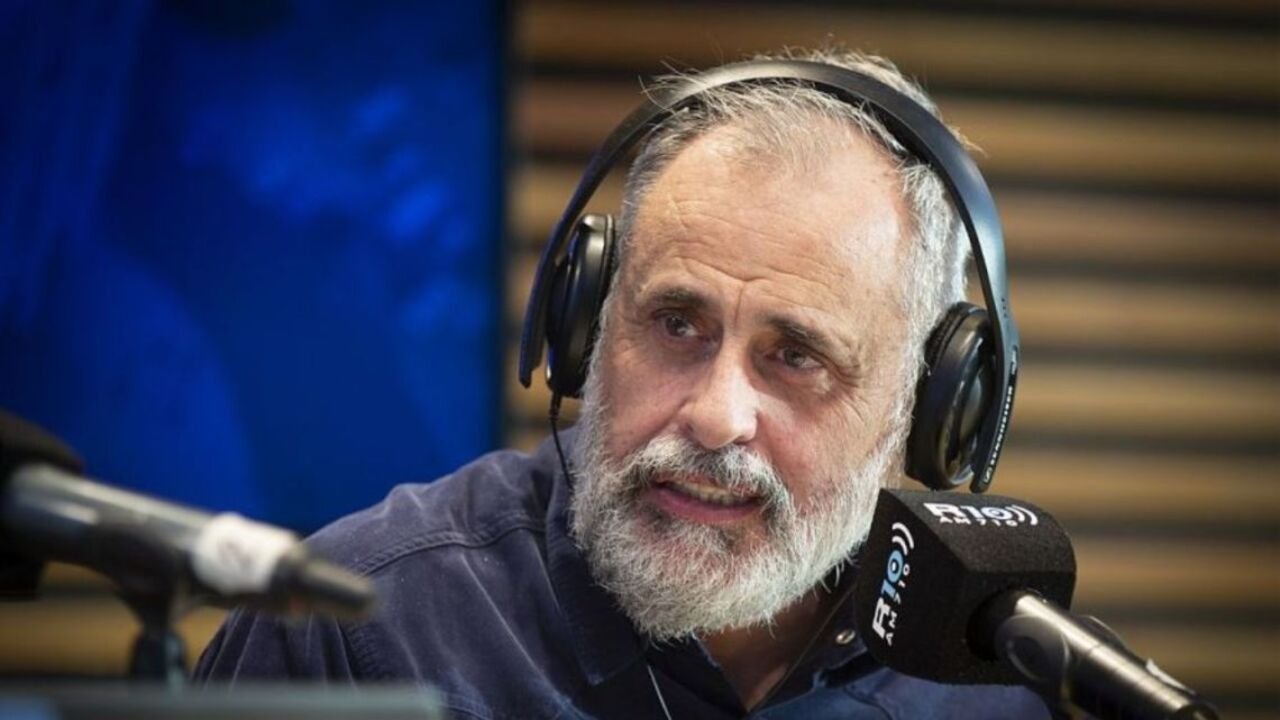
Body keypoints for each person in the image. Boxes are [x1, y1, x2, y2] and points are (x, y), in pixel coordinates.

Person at [194, 49, 1051, 719]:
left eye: (796, 356)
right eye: (676, 324)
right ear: (587, 323)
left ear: (928, 408)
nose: (716, 416)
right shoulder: (350, 631)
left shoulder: (993, 682)